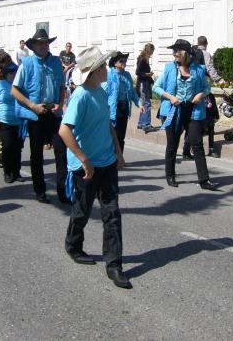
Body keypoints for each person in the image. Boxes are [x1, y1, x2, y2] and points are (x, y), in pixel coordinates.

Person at [59, 46, 131, 289]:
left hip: (107, 161)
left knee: (112, 213)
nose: (107, 69)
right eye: (103, 66)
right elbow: (64, 131)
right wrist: (83, 160)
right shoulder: (81, 96)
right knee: (82, 210)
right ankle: (73, 245)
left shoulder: (101, 92)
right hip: (85, 166)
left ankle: (114, 265)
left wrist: (118, 153)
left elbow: (108, 125)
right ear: (94, 71)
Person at [11, 28, 69, 204]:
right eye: (40, 43)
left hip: (53, 113)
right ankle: (40, 190)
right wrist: (33, 106)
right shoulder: (26, 64)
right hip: (36, 114)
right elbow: (14, 90)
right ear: (33, 46)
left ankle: (63, 191)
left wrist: (60, 102)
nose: (43, 45)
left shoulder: (55, 62)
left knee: (61, 152)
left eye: (46, 42)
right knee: (37, 154)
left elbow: (61, 86)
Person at [153, 39, 219, 190]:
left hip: (193, 110)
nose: (174, 54)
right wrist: (170, 97)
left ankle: (204, 180)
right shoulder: (169, 68)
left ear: (185, 53)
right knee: (172, 145)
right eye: (174, 51)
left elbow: (207, 88)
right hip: (173, 110)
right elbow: (156, 87)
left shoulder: (198, 69)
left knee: (197, 144)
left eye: (177, 51)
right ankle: (170, 175)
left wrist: (200, 95)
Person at [0, 51, 24, 184]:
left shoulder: (19, 86)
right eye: (11, 73)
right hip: (5, 121)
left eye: (15, 73)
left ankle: (17, 172)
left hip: (19, 122)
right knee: (7, 148)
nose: (14, 75)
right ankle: (8, 172)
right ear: (6, 74)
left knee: (18, 148)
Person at [103, 52, 143, 153]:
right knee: (113, 136)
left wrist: (139, 103)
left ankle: (119, 158)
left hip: (124, 108)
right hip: (113, 109)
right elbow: (103, 93)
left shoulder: (127, 75)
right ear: (114, 63)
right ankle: (111, 159)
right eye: (121, 61)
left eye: (125, 61)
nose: (124, 63)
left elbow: (132, 92)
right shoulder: (109, 76)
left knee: (121, 136)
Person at [136, 43, 155, 132]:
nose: (152, 54)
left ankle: (141, 123)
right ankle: (146, 124)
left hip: (144, 83)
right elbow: (138, 72)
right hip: (143, 84)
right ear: (149, 50)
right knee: (146, 103)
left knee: (144, 103)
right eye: (152, 52)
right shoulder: (142, 58)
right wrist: (148, 74)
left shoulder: (143, 58)